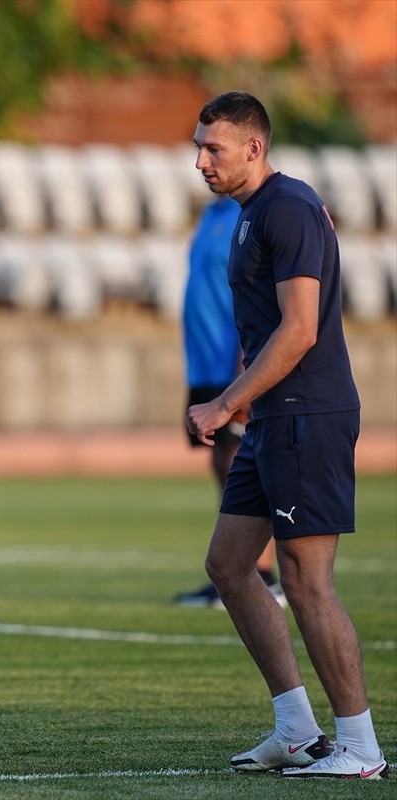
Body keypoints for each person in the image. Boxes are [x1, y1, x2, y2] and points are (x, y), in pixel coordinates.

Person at [187, 91, 387, 780]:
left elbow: (300, 331)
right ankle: (297, 731)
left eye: (213, 148)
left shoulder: (290, 207)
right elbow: (267, 327)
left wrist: (223, 405)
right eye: (199, 147)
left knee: (306, 582)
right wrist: (245, 398)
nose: (201, 161)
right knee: (230, 567)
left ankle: (361, 748)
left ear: (254, 147)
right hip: (273, 416)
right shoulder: (249, 216)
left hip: (308, 414)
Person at [175, 195, 284, 609]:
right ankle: (237, 569)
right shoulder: (212, 212)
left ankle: (262, 575)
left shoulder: (251, 213)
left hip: (232, 363)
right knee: (222, 460)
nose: (204, 163)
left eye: (214, 151)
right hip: (204, 363)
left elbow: (259, 293)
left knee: (242, 460)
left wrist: (247, 361)